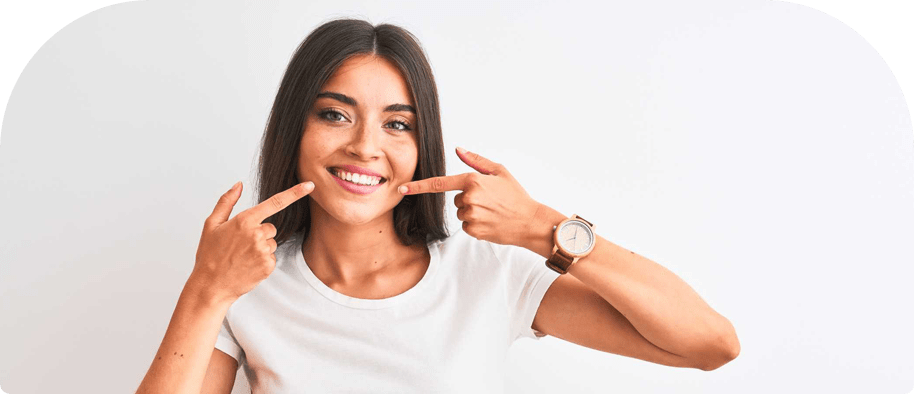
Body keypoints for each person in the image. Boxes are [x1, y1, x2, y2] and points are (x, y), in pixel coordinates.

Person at [136, 18, 740, 394]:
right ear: (294, 129)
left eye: (397, 124)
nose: (365, 147)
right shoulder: (245, 287)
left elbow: (709, 344)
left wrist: (542, 227)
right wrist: (205, 289)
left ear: (420, 147)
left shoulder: (485, 273)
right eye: (334, 114)